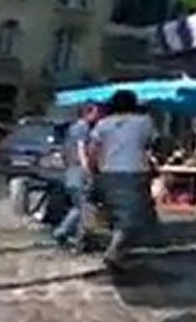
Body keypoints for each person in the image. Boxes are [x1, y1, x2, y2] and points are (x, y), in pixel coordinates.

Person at [89, 90, 157, 268]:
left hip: (109, 173)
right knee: (134, 217)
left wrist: (94, 170)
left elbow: (93, 150)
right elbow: (153, 144)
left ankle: (117, 251)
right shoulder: (145, 122)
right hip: (135, 172)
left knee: (118, 215)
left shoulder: (102, 124)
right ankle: (115, 251)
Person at [53, 103, 101, 250]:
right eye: (96, 112)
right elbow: (81, 149)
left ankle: (75, 236)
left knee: (79, 206)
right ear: (88, 113)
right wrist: (87, 168)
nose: (98, 116)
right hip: (79, 172)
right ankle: (65, 233)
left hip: (70, 171)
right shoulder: (83, 128)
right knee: (83, 206)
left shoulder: (72, 129)